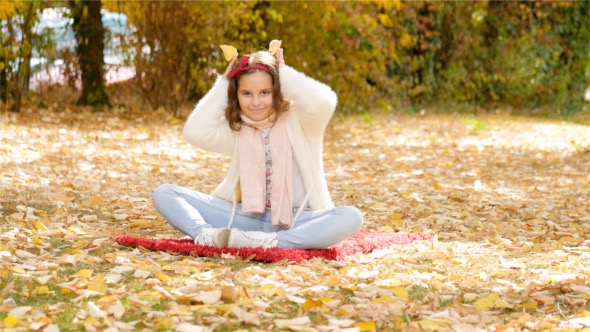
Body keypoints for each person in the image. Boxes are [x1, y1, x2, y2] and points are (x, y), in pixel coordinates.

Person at [152, 46, 363, 249]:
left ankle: (273, 243)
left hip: (297, 218)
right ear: (236, 94)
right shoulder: (238, 128)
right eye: (246, 94)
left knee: (351, 217)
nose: (255, 102)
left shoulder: (300, 121)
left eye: (264, 92)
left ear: (277, 90)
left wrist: (284, 74)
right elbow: (195, 131)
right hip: (243, 218)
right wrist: (225, 83)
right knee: (165, 193)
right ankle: (207, 235)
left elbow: (324, 102)